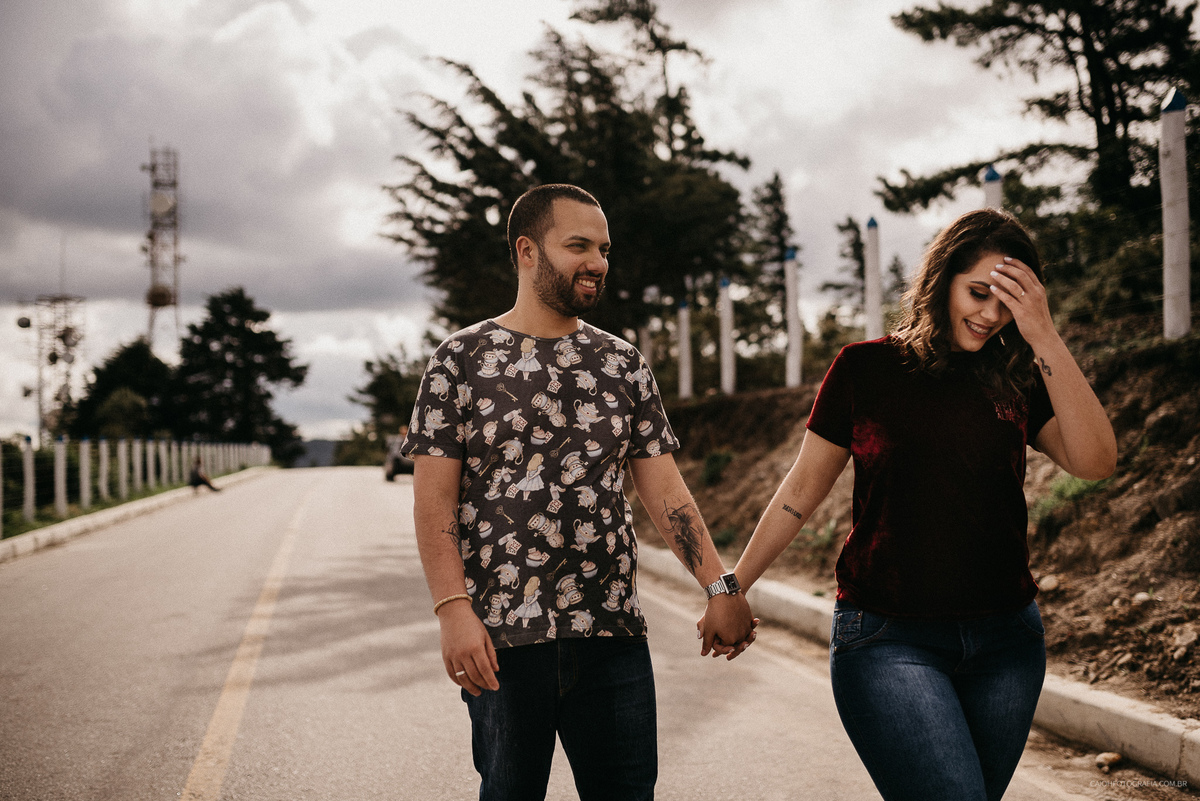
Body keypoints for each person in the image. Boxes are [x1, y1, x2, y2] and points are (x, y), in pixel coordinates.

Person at [728, 208, 1117, 801]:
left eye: (1008, 303)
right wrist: (732, 588)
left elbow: (1095, 462)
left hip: (1007, 644)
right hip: (888, 638)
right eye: (978, 292)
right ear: (942, 281)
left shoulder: (1017, 374)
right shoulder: (865, 368)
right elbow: (800, 493)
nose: (990, 314)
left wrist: (1045, 336)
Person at [402, 183, 755, 801]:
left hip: (611, 638)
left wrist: (719, 586)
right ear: (528, 251)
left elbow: (666, 491)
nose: (597, 262)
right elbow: (434, 504)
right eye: (578, 246)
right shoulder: (459, 360)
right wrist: (452, 609)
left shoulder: (621, 364)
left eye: (604, 248)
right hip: (503, 639)